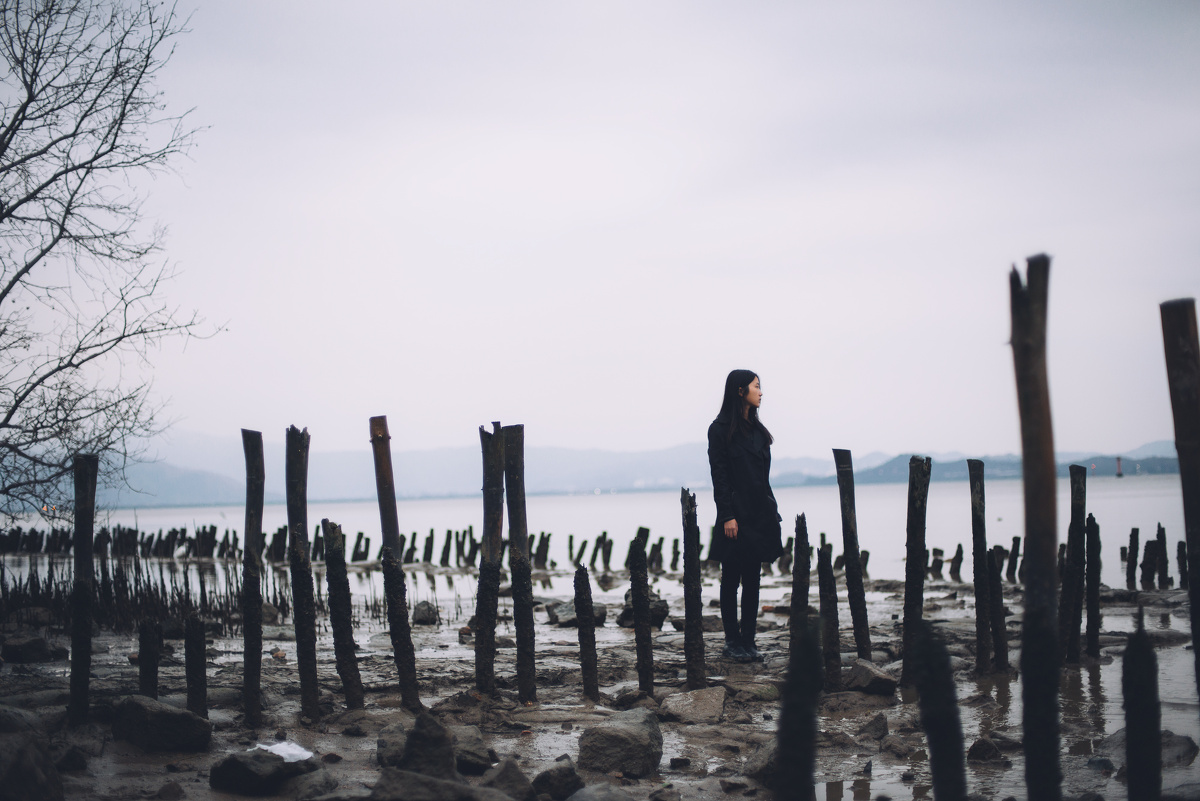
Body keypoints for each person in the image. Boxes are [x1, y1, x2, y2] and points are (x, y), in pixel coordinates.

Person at [707, 369, 784, 661]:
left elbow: (764, 480)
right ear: (740, 391)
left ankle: (749, 641)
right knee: (730, 579)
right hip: (735, 516)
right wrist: (727, 515)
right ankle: (732, 642)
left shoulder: (759, 433)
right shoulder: (719, 430)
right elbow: (720, 477)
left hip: (760, 514)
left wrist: (773, 512)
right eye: (756, 386)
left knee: (753, 579)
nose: (761, 392)